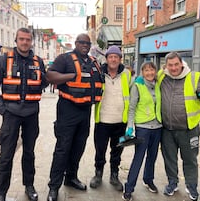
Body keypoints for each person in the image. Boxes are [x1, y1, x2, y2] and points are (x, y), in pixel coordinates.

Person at [0, 28, 48, 201]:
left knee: (29, 153)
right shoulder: (4, 59)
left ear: (31, 42)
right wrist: (2, 109)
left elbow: (42, 83)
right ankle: (1, 193)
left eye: (27, 39)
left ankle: (29, 186)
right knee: (6, 156)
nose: (24, 42)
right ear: (16, 41)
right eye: (21, 39)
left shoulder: (37, 61)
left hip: (31, 115)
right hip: (11, 115)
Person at [46, 33, 103, 201]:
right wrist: (71, 76)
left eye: (87, 43)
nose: (84, 45)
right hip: (67, 110)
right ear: (76, 43)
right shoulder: (65, 58)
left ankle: (70, 177)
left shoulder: (93, 62)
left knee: (78, 148)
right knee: (62, 149)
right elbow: (49, 76)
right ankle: (53, 187)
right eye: (81, 42)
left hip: (85, 112)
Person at [157, 52, 200, 201]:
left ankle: (191, 185)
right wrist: (141, 80)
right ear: (166, 66)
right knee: (169, 159)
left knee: (190, 160)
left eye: (176, 64)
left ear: (182, 63)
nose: (173, 68)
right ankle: (172, 182)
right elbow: (149, 79)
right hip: (167, 129)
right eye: (170, 65)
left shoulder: (193, 77)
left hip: (189, 129)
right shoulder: (162, 76)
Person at [89, 45, 131, 192]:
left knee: (117, 151)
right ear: (106, 59)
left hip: (120, 122)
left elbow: (132, 94)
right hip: (102, 121)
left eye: (116, 57)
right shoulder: (99, 72)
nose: (113, 59)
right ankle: (98, 174)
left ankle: (114, 175)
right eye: (110, 57)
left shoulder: (127, 74)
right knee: (100, 150)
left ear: (120, 59)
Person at [122, 62, 162, 201]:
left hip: (157, 127)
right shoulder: (137, 85)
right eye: (146, 70)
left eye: (152, 70)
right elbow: (132, 107)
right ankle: (128, 188)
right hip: (143, 128)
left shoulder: (158, 84)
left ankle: (148, 180)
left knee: (152, 156)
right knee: (138, 157)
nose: (150, 73)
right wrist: (130, 126)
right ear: (142, 72)